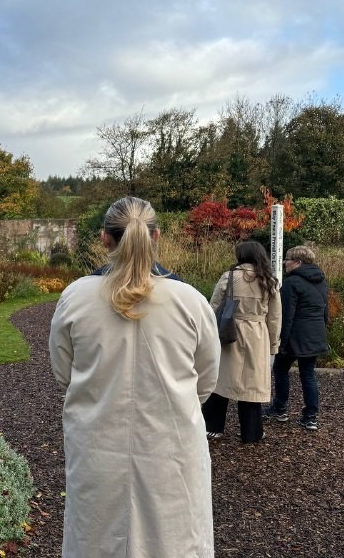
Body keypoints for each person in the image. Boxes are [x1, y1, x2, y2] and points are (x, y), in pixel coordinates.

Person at [49, 197, 220, 557]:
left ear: (103, 238)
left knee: (95, 540)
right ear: (156, 236)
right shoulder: (190, 301)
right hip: (171, 447)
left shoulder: (75, 298)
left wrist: (97, 392)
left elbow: (64, 372)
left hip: (97, 445)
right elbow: (206, 380)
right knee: (175, 541)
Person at [202, 241, 282, 443]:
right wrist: (273, 344)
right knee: (252, 384)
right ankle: (251, 432)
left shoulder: (229, 276)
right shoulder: (269, 281)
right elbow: (274, 317)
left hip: (230, 332)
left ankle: (213, 426)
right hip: (257, 334)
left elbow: (213, 307)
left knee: (222, 379)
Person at [264, 245, 329, 431]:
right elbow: (325, 312)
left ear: (298, 262)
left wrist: (281, 340)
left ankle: (280, 408)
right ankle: (311, 417)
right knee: (308, 374)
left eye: (288, 259)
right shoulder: (322, 281)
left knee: (281, 368)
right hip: (315, 335)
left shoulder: (292, 283)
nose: (285, 262)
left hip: (295, 336)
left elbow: (286, 315)